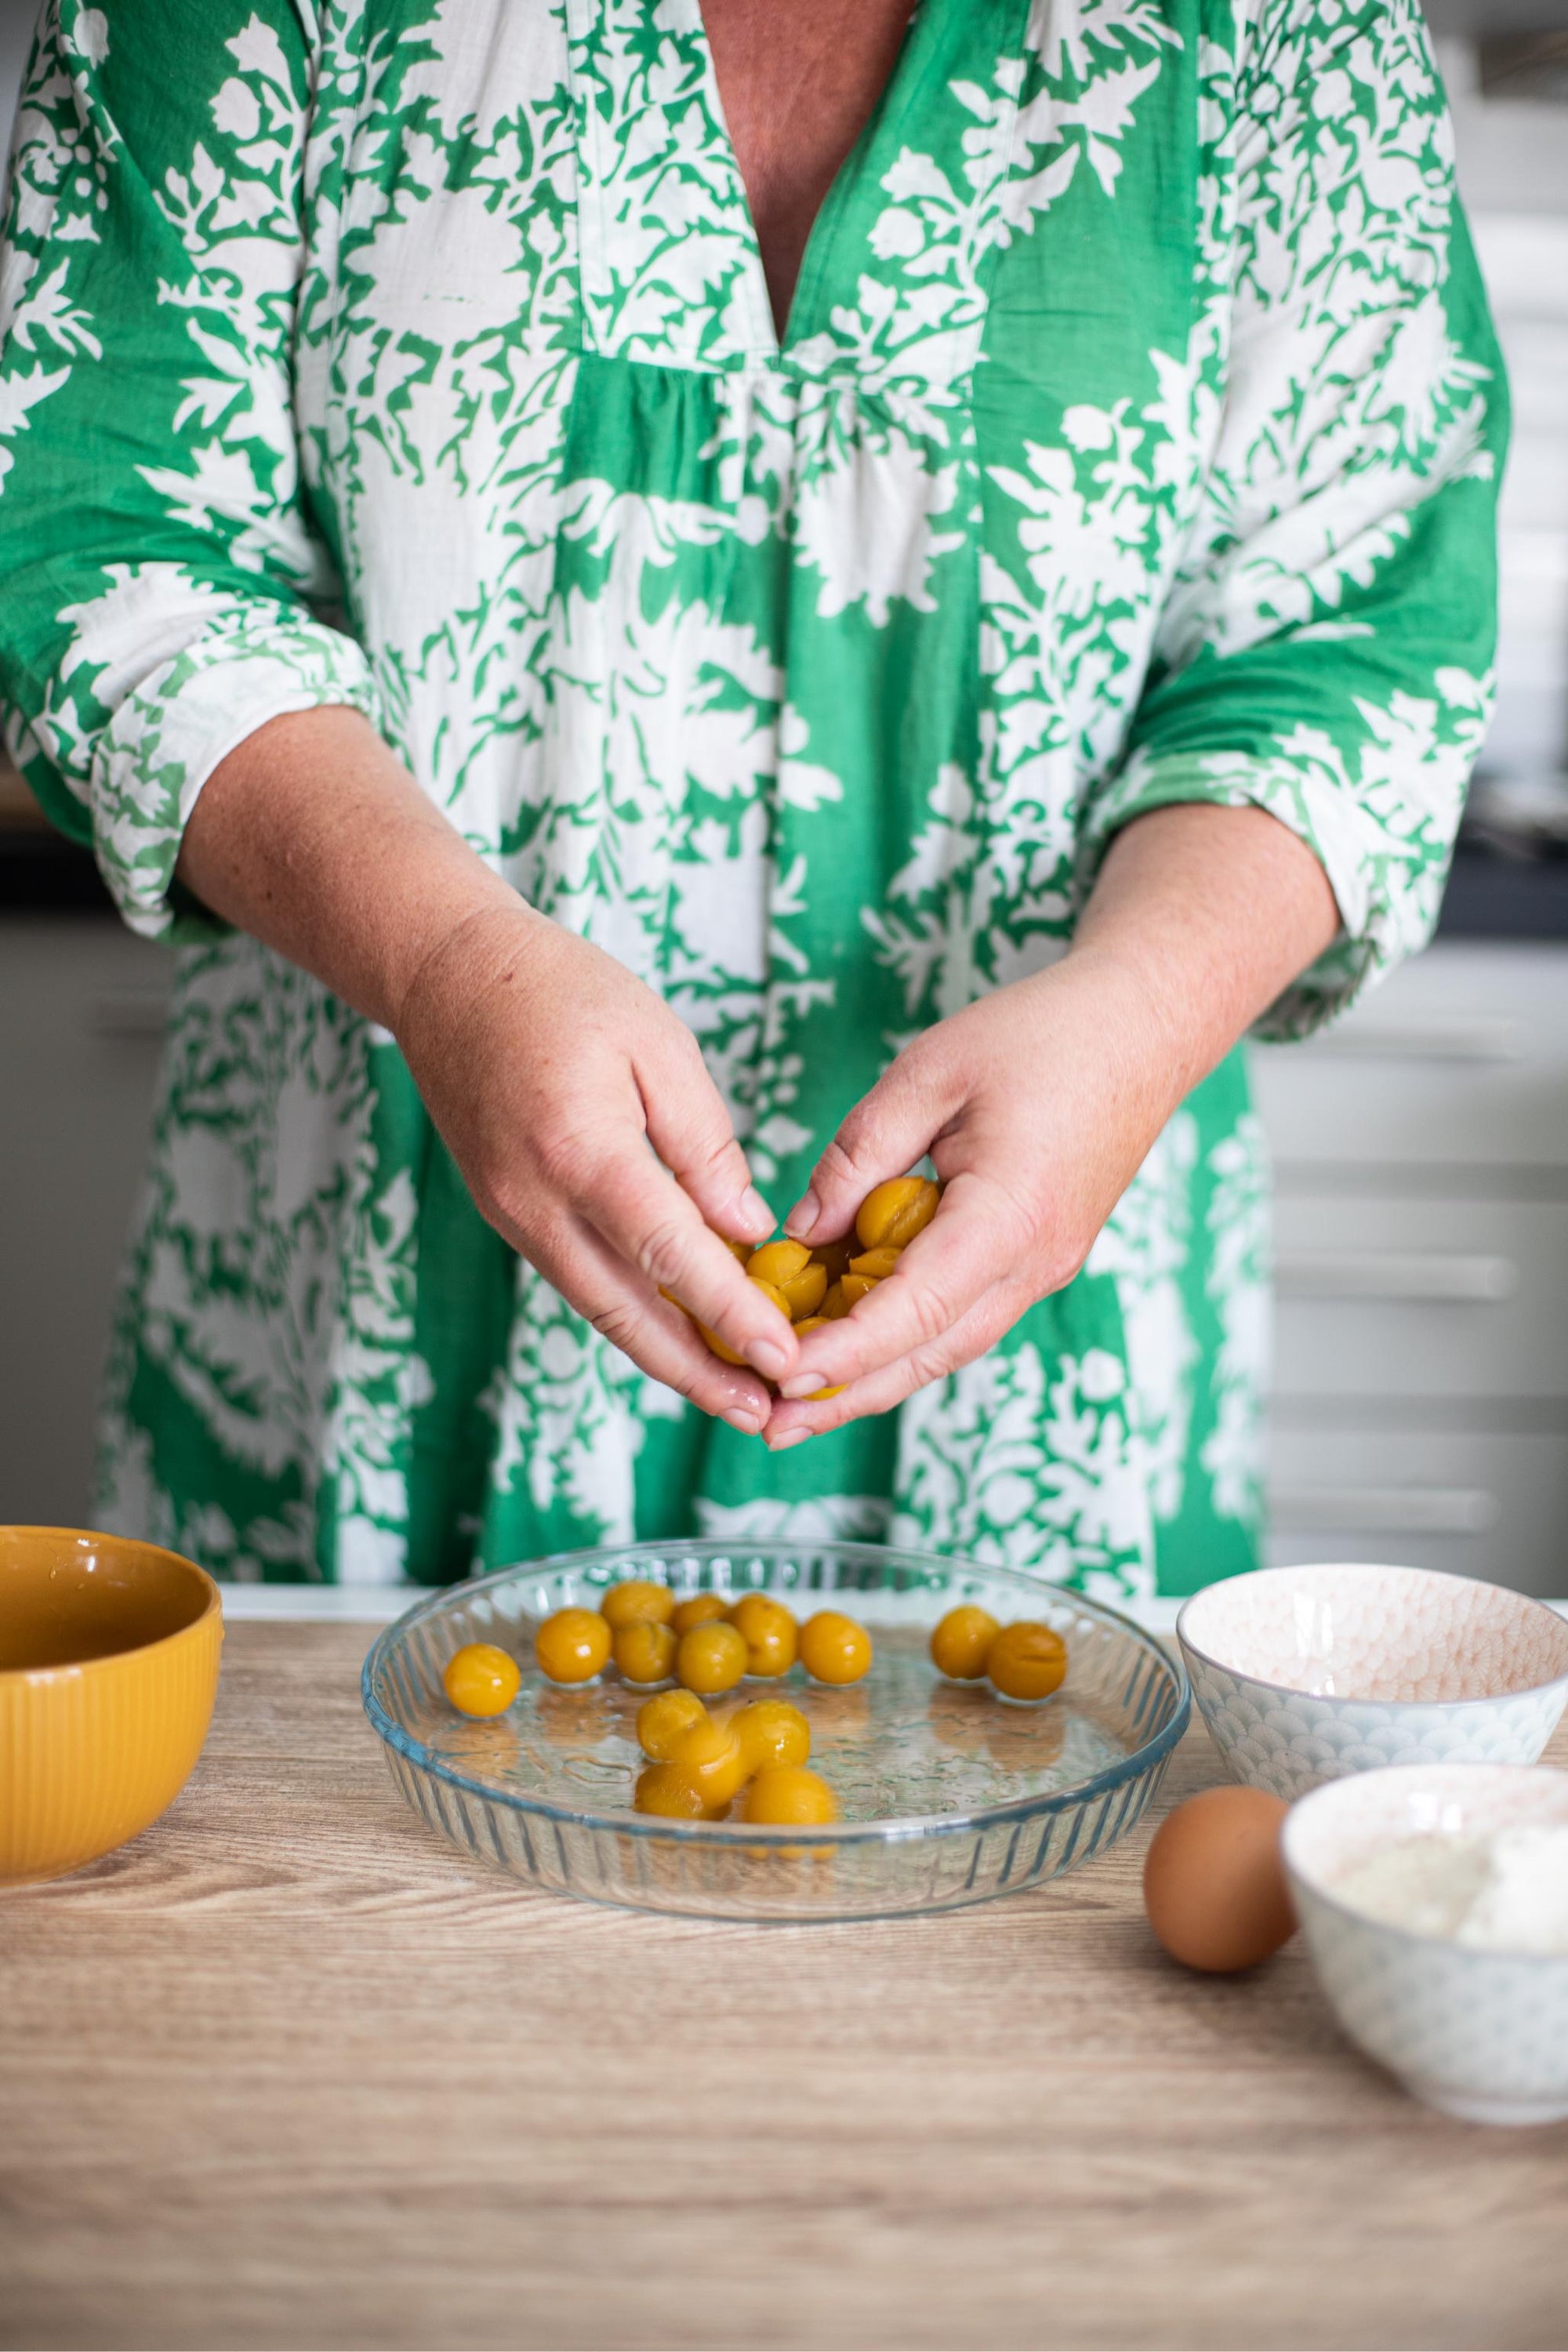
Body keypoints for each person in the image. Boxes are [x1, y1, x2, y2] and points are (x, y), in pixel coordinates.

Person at [0, 0, 1503, 1599]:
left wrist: (1135, 1019)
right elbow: (104, 539)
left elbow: (1360, 639)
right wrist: (442, 965)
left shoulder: (1292, 28)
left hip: (1049, 1315)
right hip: (371, 1260)